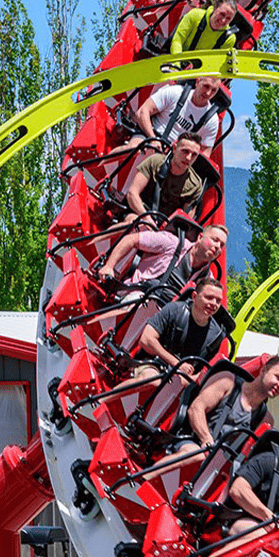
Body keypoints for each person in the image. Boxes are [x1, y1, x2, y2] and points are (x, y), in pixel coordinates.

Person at [145, 356, 279, 479]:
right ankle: (144, 478)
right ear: (263, 370)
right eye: (278, 377)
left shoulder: (266, 420)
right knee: (196, 455)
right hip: (192, 440)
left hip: (220, 463)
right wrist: (206, 439)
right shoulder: (228, 382)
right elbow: (196, 409)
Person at [138, 277, 228, 380]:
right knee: (153, 380)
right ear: (194, 296)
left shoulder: (216, 336)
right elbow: (146, 339)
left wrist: (189, 381)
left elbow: (203, 372)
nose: (214, 304)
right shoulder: (174, 310)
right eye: (209, 297)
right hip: (153, 363)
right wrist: (176, 363)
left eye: (218, 301)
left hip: (181, 380)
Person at [98, 223, 228, 292]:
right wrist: (109, 266)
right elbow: (132, 239)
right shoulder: (173, 244)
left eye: (221, 245)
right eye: (215, 240)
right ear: (200, 237)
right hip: (138, 294)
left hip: (163, 319)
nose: (217, 247)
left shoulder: (207, 280)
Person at [122, 132, 204, 224]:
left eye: (194, 155)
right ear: (174, 148)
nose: (188, 158)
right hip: (139, 213)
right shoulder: (155, 162)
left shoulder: (195, 185)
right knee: (133, 222)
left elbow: (186, 219)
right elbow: (132, 194)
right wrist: (147, 219)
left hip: (165, 227)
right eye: (185, 151)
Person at [132, 77, 223, 157]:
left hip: (176, 156)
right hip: (150, 136)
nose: (208, 93)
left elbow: (206, 152)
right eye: (206, 86)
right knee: (132, 148)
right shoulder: (175, 92)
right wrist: (153, 138)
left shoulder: (211, 119)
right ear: (197, 81)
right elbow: (143, 112)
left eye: (213, 90)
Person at [170, 0, 237, 56]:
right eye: (222, 14)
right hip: (177, 59)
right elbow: (177, 41)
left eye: (228, 18)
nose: (223, 20)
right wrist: (177, 64)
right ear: (215, 8)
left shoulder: (229, 38)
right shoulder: (195, 15)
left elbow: (217, 62)